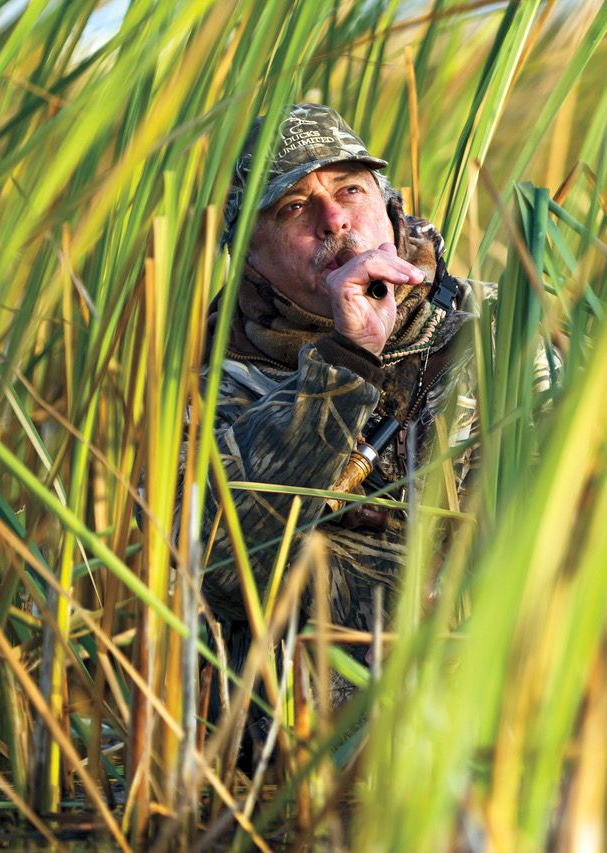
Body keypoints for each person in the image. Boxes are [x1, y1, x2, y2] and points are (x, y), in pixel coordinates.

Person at [196, 103, 483, 716]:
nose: (333, 218)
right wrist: (346, 360)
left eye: (349, 189)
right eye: (293, 207)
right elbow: (216, 565)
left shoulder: (500, 327)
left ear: (388, 204)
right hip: (305, 766)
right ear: (250, 254)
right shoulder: (221, 385)